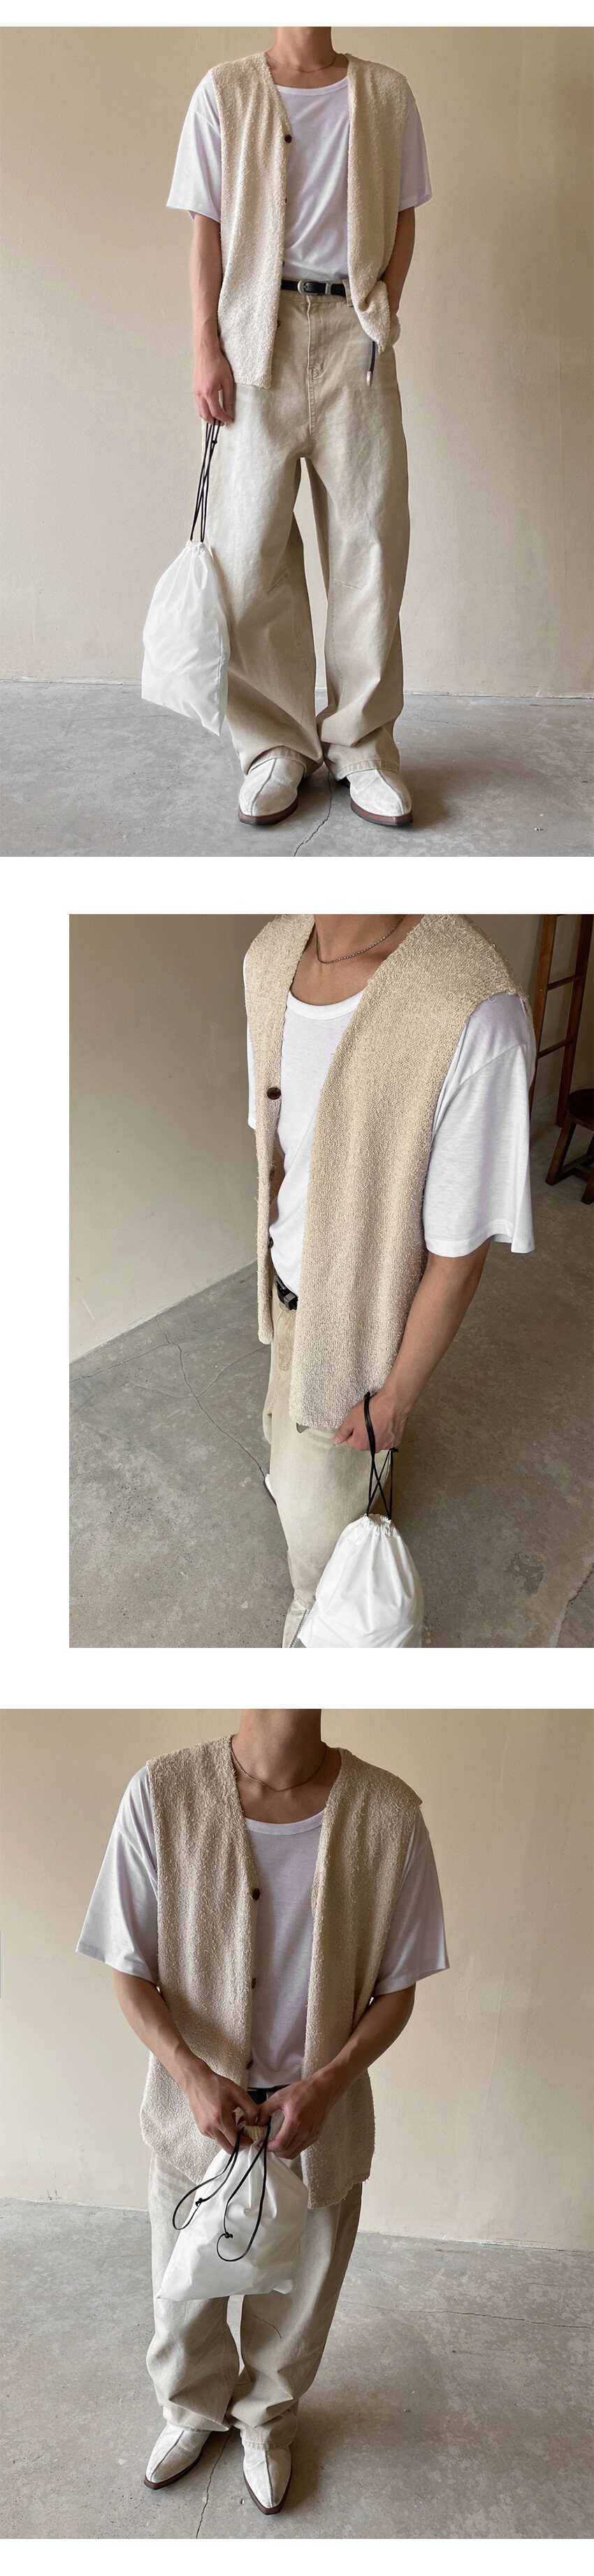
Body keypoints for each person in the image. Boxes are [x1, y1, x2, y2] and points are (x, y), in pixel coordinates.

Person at [77, 1712, 447, 2515]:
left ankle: (266, 2417)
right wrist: (189, 2073)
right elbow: (128, 1965)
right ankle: (191, 2408)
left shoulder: (388, 1815)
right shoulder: (162, 1793)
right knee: (183, 2287)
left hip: (317, 2115)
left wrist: (329, 2082)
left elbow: (399, 1985)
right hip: (196, 2112)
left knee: (300, 2292)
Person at [244, 911, 536, 1644]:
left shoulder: (472, 1010)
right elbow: (278, 1148)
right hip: (283, 1294)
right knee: (290, 1458)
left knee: (321, 1563)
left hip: (354, 1337)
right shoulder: (268, 957)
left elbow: (458, 1257)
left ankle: (316, 1624)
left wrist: (396, 1397)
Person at [167, 29, 431, 826]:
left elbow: (403, 215)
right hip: (257, 334)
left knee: (370, 544)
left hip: (354, 335)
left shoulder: (386, 93)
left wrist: (381, 309)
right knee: (249, 550)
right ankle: (275, 744)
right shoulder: (224, 91)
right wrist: (206, 347)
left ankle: (363, 746)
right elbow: (205, 228)